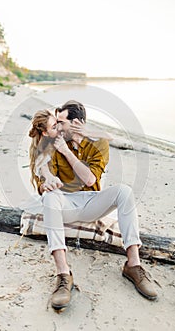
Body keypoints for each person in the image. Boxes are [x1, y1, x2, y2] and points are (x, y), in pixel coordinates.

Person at [30, 102, 158, 311]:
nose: (59, 128)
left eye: (61, 123)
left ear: (77, 123)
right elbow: (44, 171)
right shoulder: (52, 143)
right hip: (64, 203)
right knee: (51, 197)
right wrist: (48, 182)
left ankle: (133, 266)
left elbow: (89, 179)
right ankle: (63, 274)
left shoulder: (98, 144)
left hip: (91, 200)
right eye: (57, 124)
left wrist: (67, 151)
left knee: (124, 191)